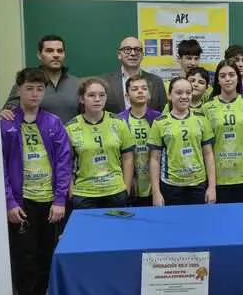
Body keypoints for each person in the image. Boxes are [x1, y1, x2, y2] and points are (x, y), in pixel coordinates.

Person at [0, 67, 72, 295]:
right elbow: (1, 167)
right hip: (22, 202)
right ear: (19, 90)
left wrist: (59, 199)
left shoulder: (53, 123)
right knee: (25, 257)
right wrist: (9, 202)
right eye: (29, 88)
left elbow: (64, 162)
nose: (34, 93)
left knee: (47, 255)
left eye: (39, 89)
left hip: (49, 203)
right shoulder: (6, 123)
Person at [65, 77, 134, 209]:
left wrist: (126, 188)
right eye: (91, 95)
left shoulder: (119, 123)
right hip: (84, 194)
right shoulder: (70, 127)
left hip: (116, 192)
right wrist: (71, 193)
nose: (97, 99)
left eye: (102, 95)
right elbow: (66, 164)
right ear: (81, 99)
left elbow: (128, 157)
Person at [149, 77, 216, 206]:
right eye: (179, 93)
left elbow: (208, 154)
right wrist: (156, 193)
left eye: (188, 93)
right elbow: (154, 159)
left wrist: (212, 187)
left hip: (198, 184)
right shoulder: (160, 122)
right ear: (169, 95)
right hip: (171, 185)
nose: (184, 96)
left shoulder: (201, 119)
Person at [205, 59, 243, 203]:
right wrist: (210, 183)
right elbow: (206, 148)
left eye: (231, 75)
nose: (228, 79)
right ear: (217, 80)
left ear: (238, 77)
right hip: (218, 177)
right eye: (223, 76)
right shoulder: (207, 107)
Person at [1, 36, 81, 122]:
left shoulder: (77, 83)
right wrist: (3, 113)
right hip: (37, 134)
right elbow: (8, 112)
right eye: (49, 51)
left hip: (71, 134)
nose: (56, 55)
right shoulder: (26, 82)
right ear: (39, 55)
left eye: (60, 51)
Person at [116, 75, 162, 207]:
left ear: (149, 94)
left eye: (144, 88)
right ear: (127, 95)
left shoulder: (159, 119)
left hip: (156, 185)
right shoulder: (119, 121)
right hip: (129, 184)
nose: (140, 91)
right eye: (135, 89)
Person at [102, 36, 167, 113]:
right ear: (119, 55)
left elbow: (163, 112)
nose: (133, 53)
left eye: (137, 50)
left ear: (142, 55)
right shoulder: (105, 82)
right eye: (127, 49)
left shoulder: (156, 81)